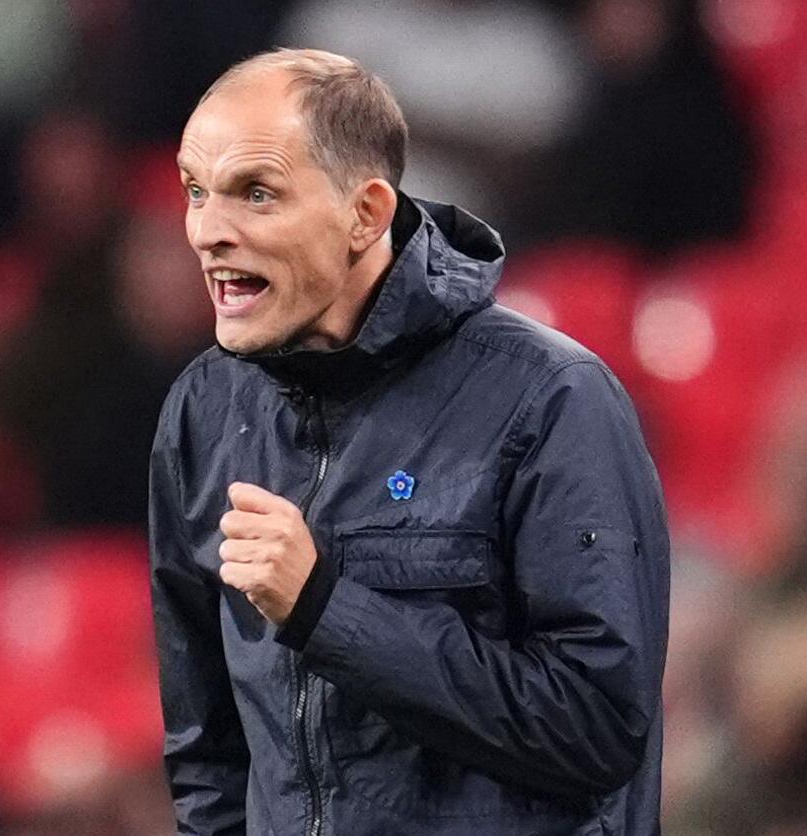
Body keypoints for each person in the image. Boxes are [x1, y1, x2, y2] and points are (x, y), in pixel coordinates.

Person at [147, 48, 670, 834]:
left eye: (256, 193)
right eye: (195, 190)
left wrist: (325, 609)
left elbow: (596, 727)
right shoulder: (205, 410)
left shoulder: (550, 398)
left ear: (364, 214)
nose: (207, 232)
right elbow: (209, 759)